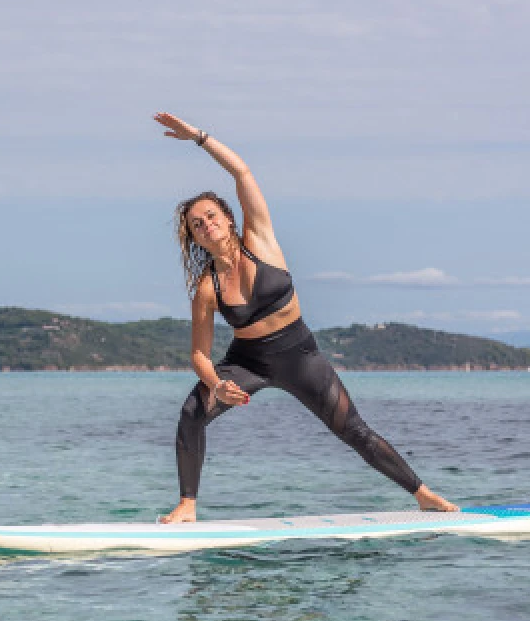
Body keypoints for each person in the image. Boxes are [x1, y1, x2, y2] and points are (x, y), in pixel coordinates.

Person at [154, 112, 458, 524]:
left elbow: (242, 171)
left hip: (300, 355)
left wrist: (200, 138)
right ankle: (188, 503)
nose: (206, 225)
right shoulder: (207, 287)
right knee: (193, 411)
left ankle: (423, 494)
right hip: (248, 361)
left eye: (210, 216)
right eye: (196, 224)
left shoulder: (259, 239)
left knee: (353, 430)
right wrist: (217, 385)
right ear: (194, 237)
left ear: (227, 217)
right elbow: (198, 354)